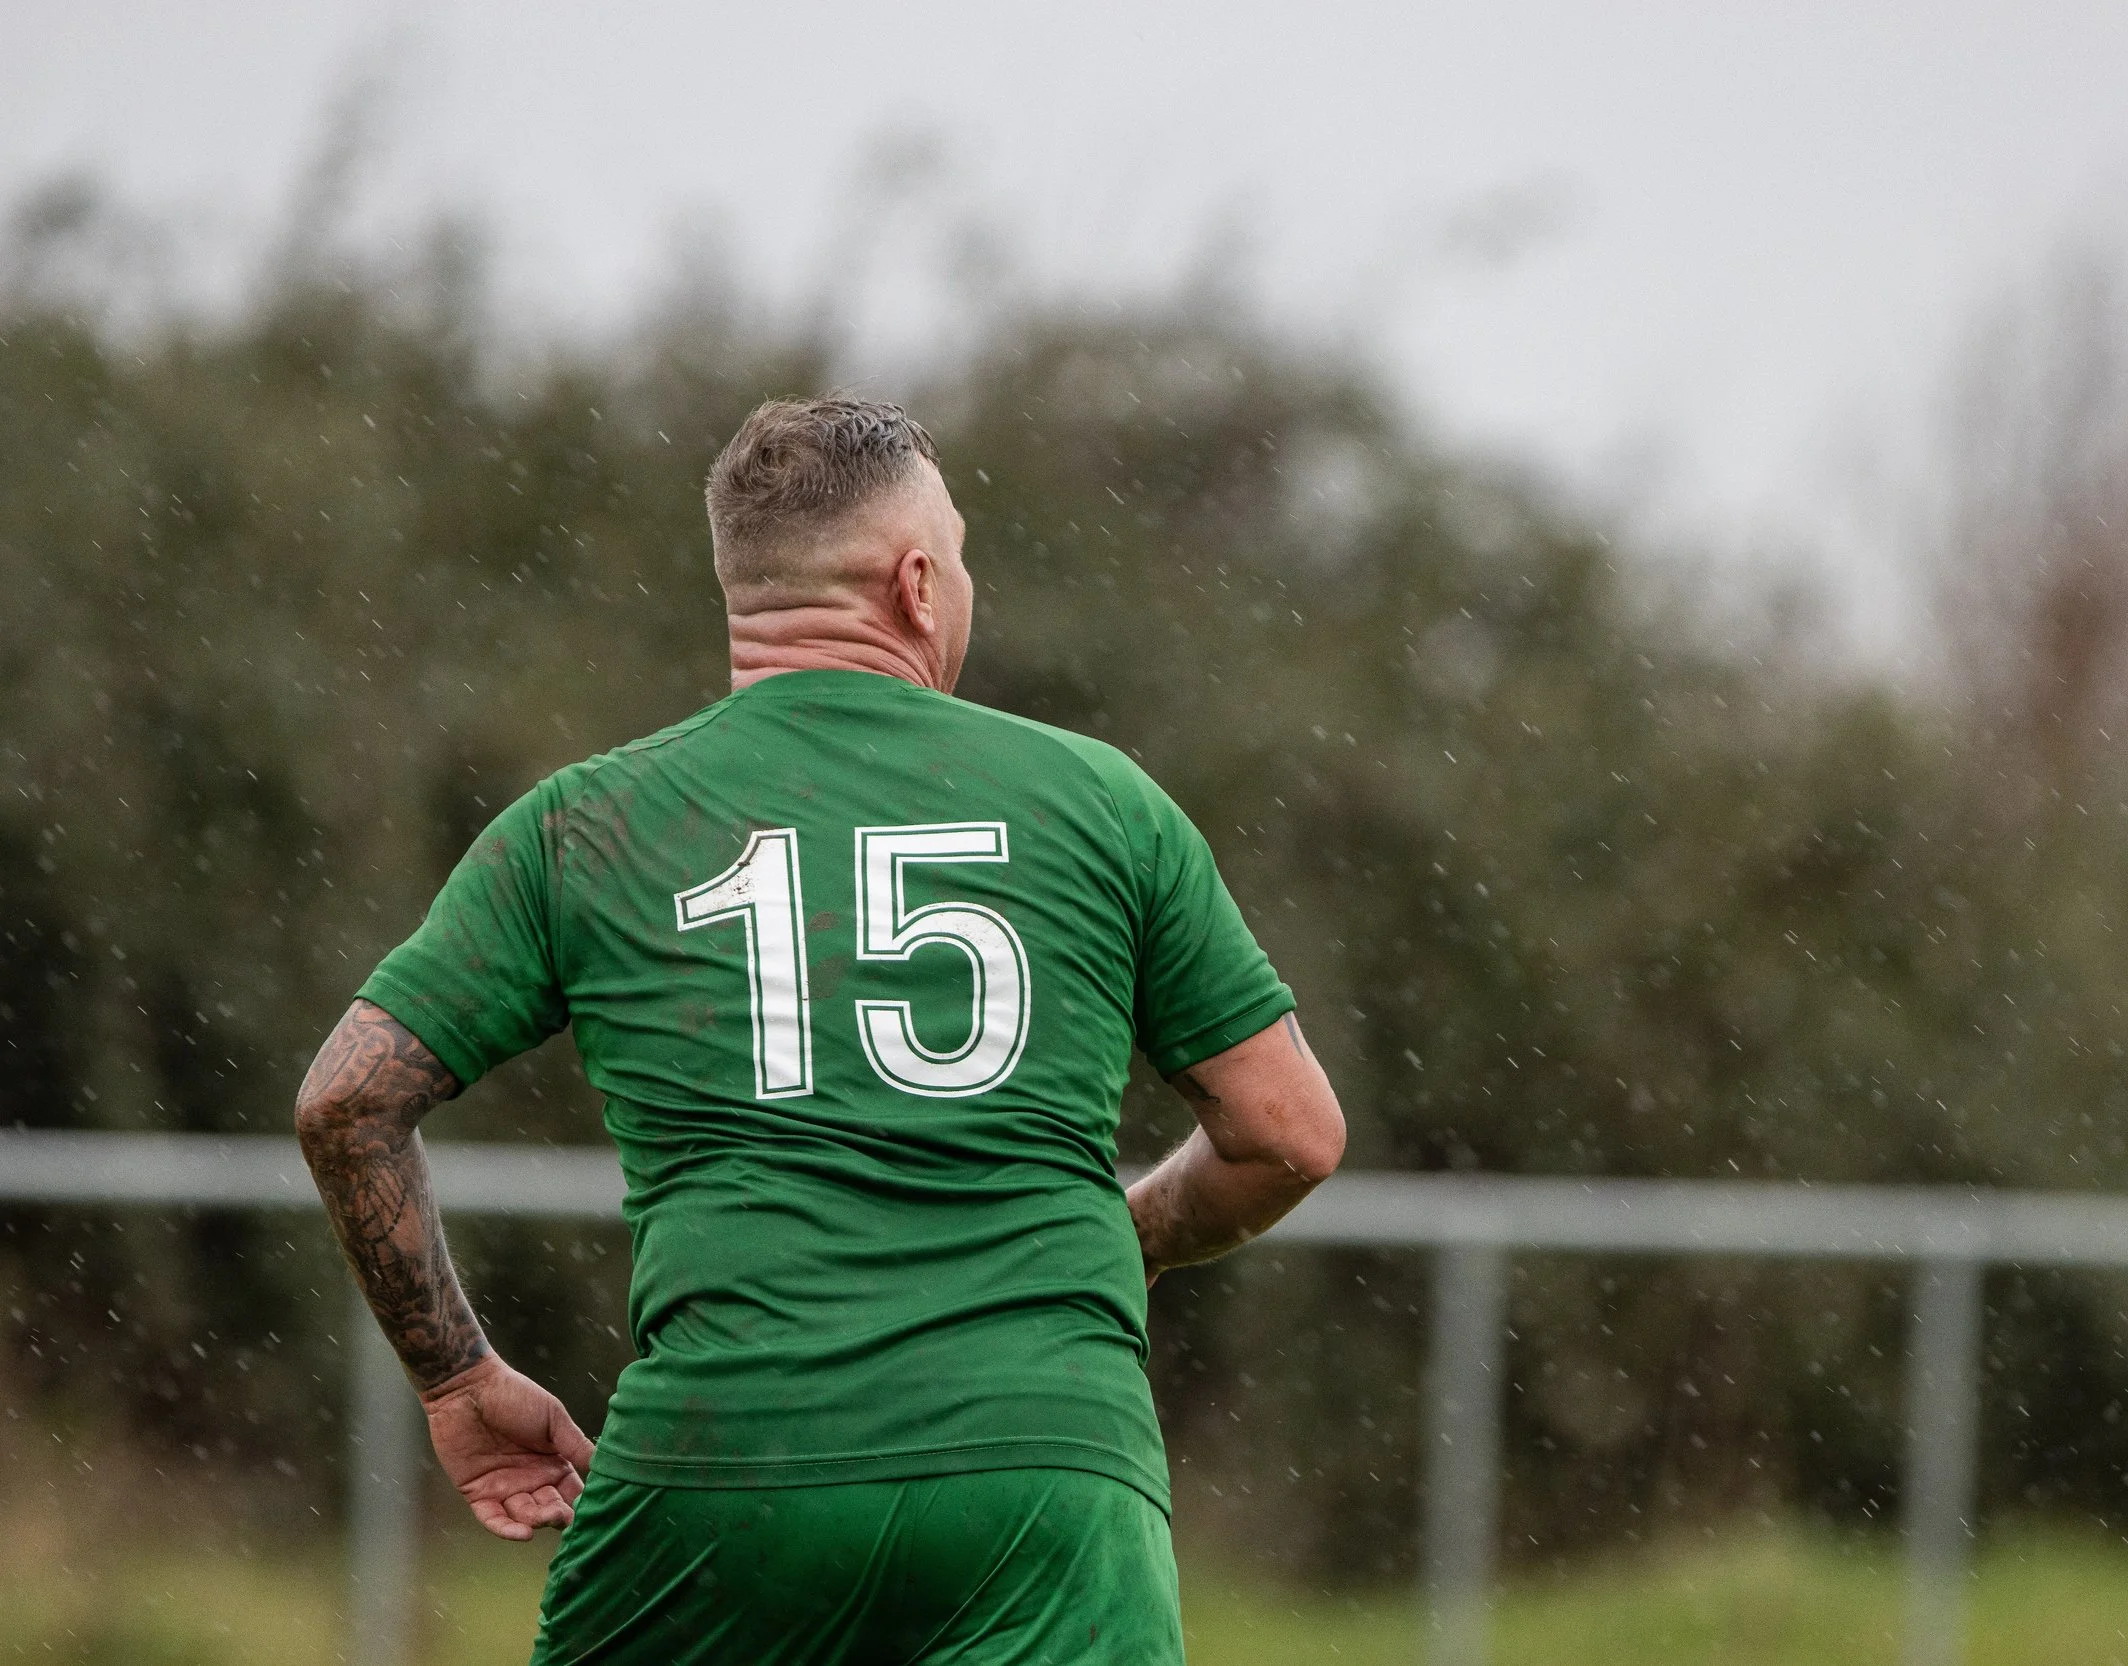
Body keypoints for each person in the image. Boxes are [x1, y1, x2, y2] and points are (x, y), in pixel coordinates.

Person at [293, 396, 1345, 1664]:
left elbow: (344, 1102)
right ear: (915, 584)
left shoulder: (583, 825)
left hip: (729, 1468)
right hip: (1046, 1466)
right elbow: (1286, 1134)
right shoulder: (1102, 800)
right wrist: (1123, 1238)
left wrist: (457, 1380)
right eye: (959, 555)